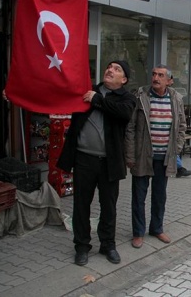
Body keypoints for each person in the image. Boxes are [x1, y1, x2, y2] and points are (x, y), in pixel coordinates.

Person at [57, 60, 136, 266]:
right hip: (84, 159)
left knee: (108, 206)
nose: (110, 70)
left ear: (124, 79)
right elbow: (58, 94)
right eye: (109, 66)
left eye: (117, 69)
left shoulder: (126, 98)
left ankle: (108, 245)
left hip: (110, 162)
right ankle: (82, 246)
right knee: (81, 205)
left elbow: (124, 114)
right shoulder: (87, 91)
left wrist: (97, 100)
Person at [125, 64, 187, 249]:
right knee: (139, 196)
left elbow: (182, 126)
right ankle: (138, 233)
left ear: (169, 80)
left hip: (165, 157)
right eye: (153, 74)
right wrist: (130, 155)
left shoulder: (176, 99)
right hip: (143, 155)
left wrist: (176, 149)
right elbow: (130, 128)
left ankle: (156, 228)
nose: (155, 78)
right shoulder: (141, 96)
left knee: (160, 196)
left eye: (160, 75)